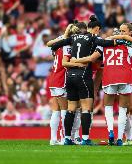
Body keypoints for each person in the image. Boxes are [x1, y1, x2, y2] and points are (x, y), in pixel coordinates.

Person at [72, 23, 132, 146]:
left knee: (108, 107)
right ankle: (120, 138)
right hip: (125, 77)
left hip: (109, 77)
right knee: (123, 110)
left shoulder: (104, 45)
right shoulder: (126, 45)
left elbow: (92, 58)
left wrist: (76, 60)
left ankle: (111, 133)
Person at [49, 16, 126, 145]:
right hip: (83, 76)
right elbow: (106, 44)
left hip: (70, 76)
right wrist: (120, 41)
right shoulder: (93, 38)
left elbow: (55, 45)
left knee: (71, 108)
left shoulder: (73, 38)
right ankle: (85, 139)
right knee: (86, 109)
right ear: (96, 29)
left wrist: (58, 47)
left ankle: (67, 138)